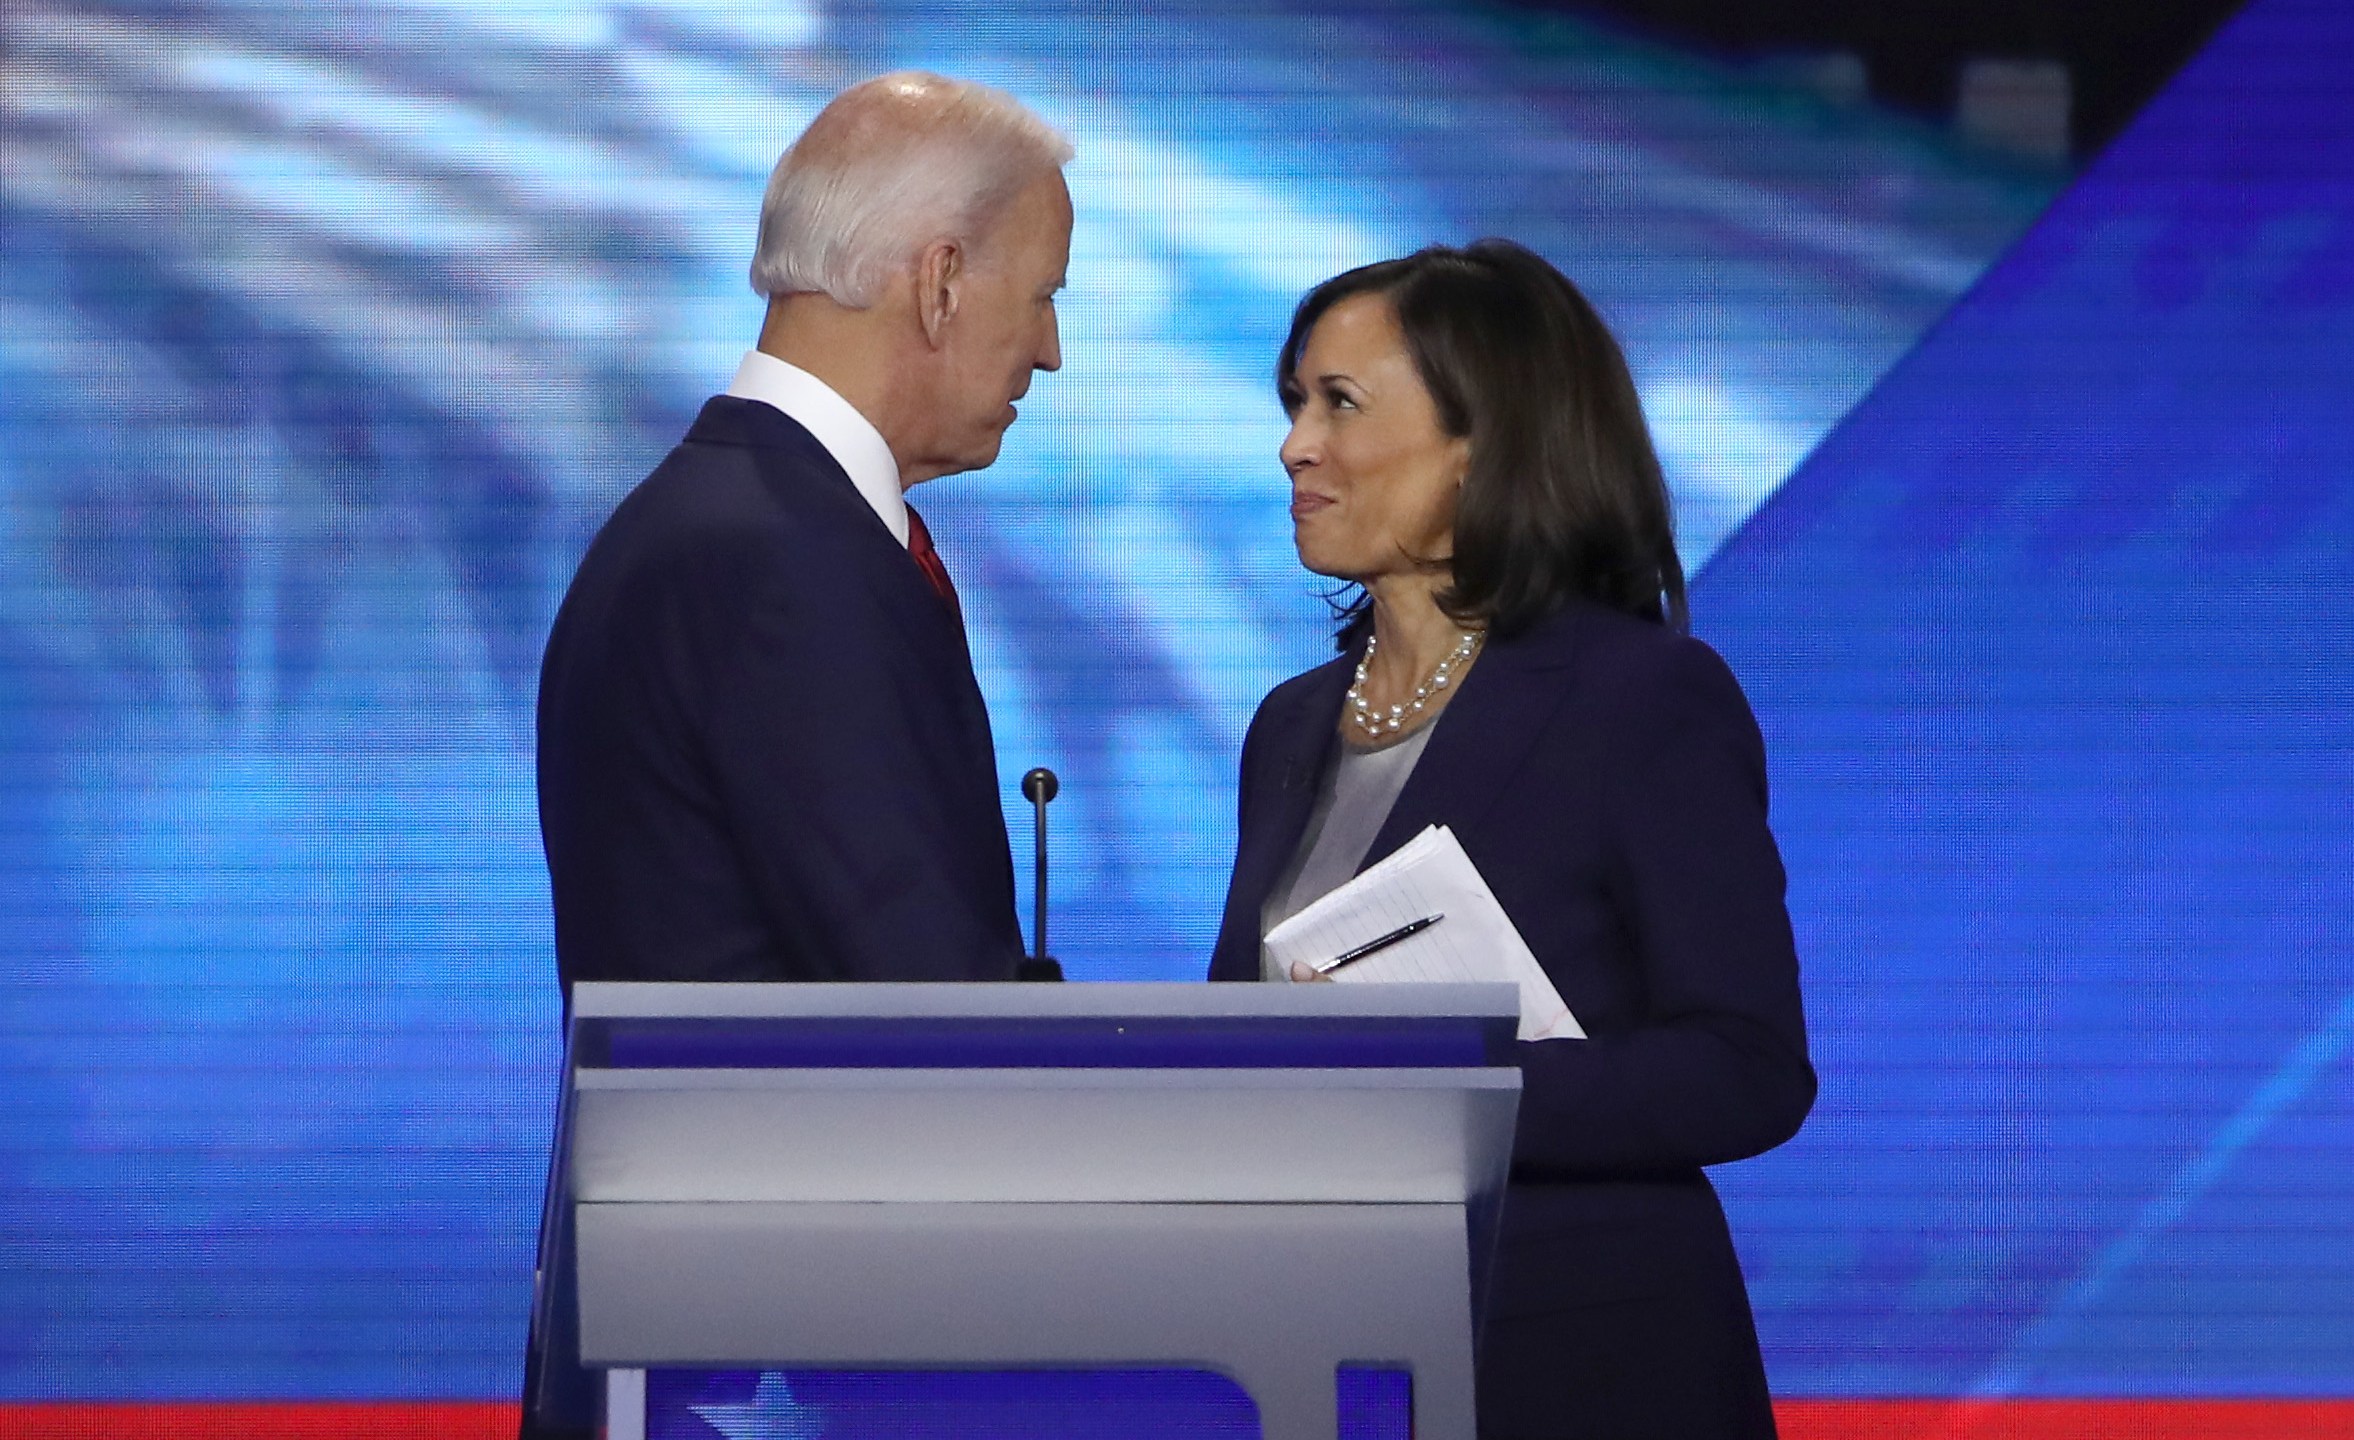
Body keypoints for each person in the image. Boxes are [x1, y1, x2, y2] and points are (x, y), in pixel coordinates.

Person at [521, 73, 1073, 1438]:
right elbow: (920, 1000)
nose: (1050, 348)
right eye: (1044, 292)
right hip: (776, 1360)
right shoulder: (783, 561)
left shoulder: (722, 516)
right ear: (940, 282)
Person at [1209, 240, 1814, 1437]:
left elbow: (1746, 1069)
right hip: (1324, 1361)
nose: (1295, 445)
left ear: (1481, 442)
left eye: (1339, 404)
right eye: (1292, 403)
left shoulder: (1641, 698)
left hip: (1575, 1360)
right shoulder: (1289, 723)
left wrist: (1438, 1083)